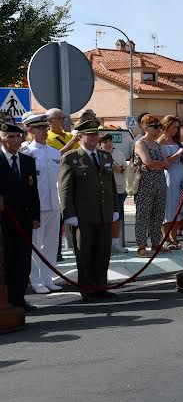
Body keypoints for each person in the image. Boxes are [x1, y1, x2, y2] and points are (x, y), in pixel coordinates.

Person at [59, 119, 118, 302]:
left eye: (95, 134)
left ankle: (101, 286)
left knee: (103, 252)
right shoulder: (71, 158)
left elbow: (111, 185)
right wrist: (68, 213)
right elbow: (65, 188)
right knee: (84, 253)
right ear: (80, 137)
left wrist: (115, 208)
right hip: (82, 215)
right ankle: (87, 288)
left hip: (104, 213)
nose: (94, 137)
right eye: (90, 134)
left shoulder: (105, 156)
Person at [0, 122, 40, 311]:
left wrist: (35, 216)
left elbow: (33, 192)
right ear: (2, 138)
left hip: (23, 220)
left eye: (18, 137)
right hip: (3, 222)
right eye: (10, 137)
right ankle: (5, 301)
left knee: (23, 261)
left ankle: (19, 299)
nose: (15, 141)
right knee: (6, 261)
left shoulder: (27, 161)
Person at [21, 114, 62, 293]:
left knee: (51, 244)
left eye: (45, 128)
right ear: (30, 130)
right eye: (40, 129)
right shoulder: (26, 153)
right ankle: (36, 280)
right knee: (36, 245)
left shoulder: (54, 152)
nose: (44, 132)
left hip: (54, 205)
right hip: (37, 207)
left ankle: (48, 278)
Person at [133, 115, 168, 257]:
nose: (159, 129)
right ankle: (141, 246)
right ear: (145, 127)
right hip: (145, 183)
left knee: (158, 214)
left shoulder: (158, 145)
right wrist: (158, 164)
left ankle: (155, 243)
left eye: (159, 126)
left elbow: (167, 163)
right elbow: (147, 162)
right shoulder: (140, 143)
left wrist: (156, 165)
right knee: (143, 214)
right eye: (155, 126)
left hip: (160, 181)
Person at [159, 116, 183, 250]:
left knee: (178, 209)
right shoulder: (160, 141)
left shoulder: (176, 141)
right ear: (166, 126)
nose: (176, 130)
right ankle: (167, 239)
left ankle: (174, 239)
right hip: (169, 178)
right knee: (169, 209)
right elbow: (165, 163)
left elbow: (181, 158)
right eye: (174, 127)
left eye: (177, 127)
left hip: (181, 177)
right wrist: (179, 153)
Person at [98, 133, 128, 254]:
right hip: (103, 192)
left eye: (109, 141)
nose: (108, 143)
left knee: (117, 218)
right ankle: (103, 243)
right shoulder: (98, 155)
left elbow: (127, 169)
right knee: (104, 218)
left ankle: (115, 244)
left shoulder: (119, 154)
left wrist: (121, 169)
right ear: (100, 144)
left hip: (119, 189)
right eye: (105, 141)